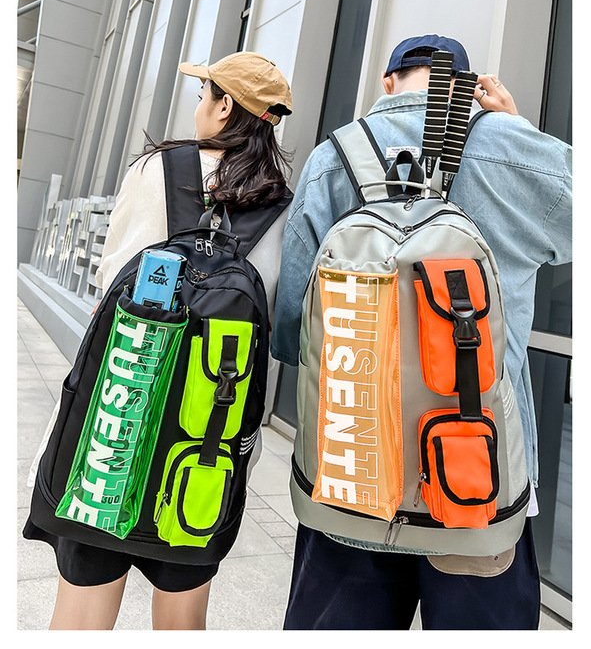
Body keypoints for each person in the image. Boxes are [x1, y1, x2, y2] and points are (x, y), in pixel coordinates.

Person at [270, 34, 572, 630]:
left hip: (352, 472)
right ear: (467, 87)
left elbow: (291, 332)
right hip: (480, 477)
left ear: (388, 82)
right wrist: (520, 131)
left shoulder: (333, 156)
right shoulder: (513, 148)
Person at [24, 51, 294, 630]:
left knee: (81, 614)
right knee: (182, 618)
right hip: (205, 442)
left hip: (117, 423)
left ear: (225, 107)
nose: (199, 107)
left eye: (204, 95)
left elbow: (111, 279)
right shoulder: (283, 207)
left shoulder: (157, 169)